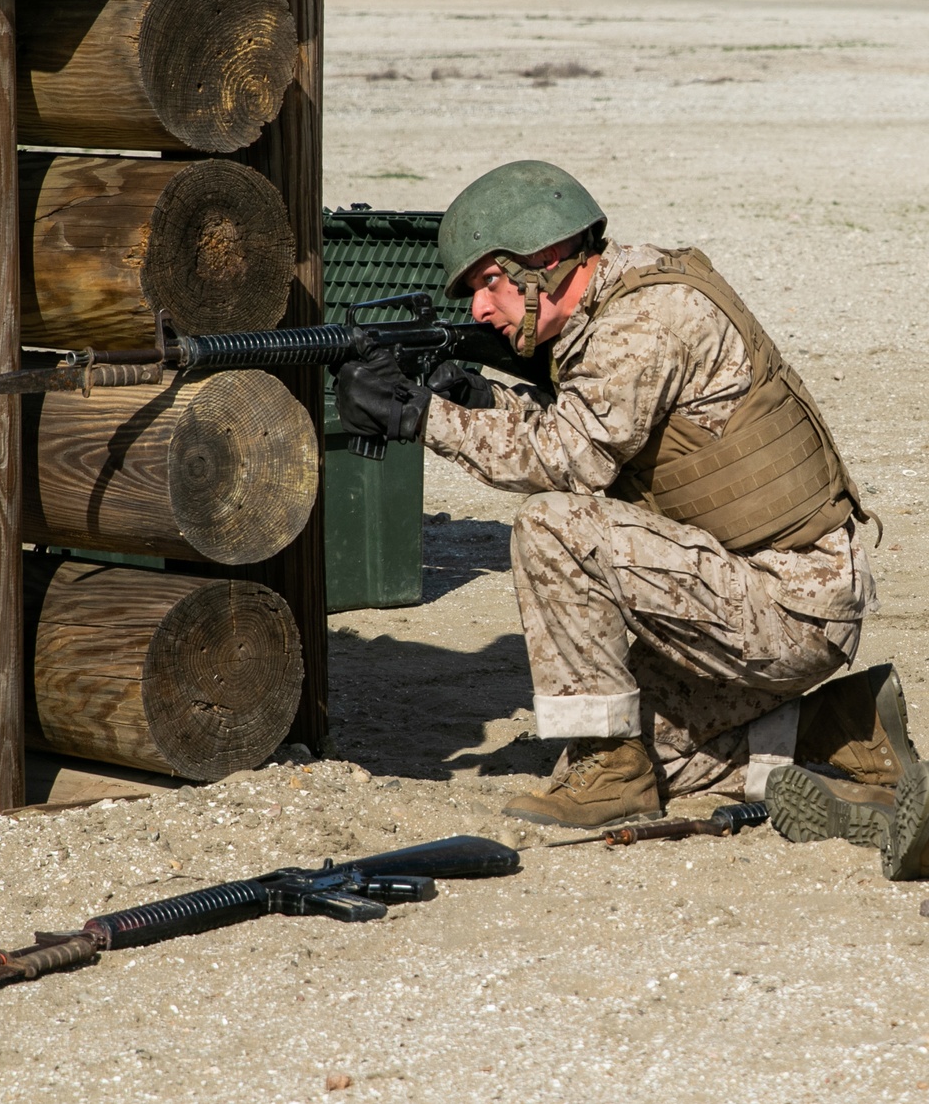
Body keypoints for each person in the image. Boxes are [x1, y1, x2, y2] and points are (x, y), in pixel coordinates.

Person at [334, 160, 926, 868]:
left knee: (556, 526)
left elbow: (571, 460)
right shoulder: (617, 308)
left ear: (544, 261)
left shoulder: (646, 321)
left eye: (488, 284)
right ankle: (841, 728)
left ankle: (610, 775)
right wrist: (482, 401)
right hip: (750, 588)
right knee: (666, 760)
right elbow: (593, 427)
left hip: (789, 603)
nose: (479, 312)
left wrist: (422, 417)